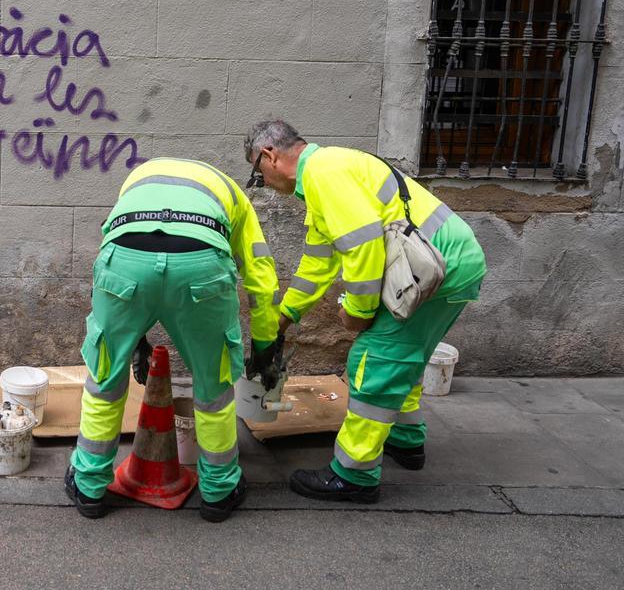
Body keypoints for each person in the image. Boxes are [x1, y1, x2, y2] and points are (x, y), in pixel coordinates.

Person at [244, 120, 486, 503]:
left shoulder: (324, 174)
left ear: (270, 156)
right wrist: (286, 314)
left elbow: (363, 248)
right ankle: (406, 442)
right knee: (402, 358)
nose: (266, 186)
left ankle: (354, 474)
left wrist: (358, 311)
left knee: (373, 361)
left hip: (433, 269)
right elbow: (318, 264)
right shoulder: (326, 175)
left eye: (260, 176)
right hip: (449, 264)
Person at [66, 158, 280, 522]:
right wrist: (264, 348)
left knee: (105, 376)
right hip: (200, 264)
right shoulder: (233, 195)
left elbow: (134, 249)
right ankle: (219, 493)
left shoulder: (138, 179)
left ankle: (88, 487)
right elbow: (261, 278)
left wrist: (135, 339)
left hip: (124, 259)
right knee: (214, 388)